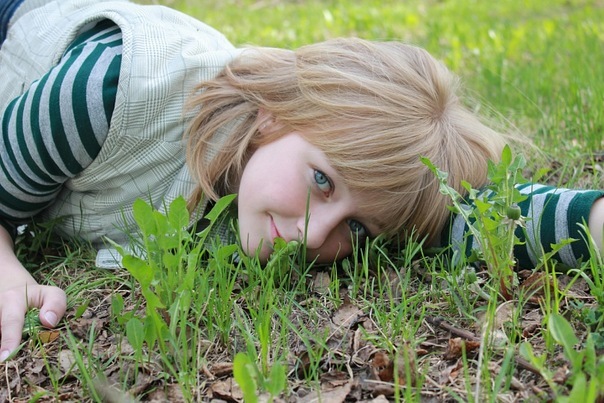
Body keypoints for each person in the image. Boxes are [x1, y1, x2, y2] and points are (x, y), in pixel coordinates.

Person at [0, 0, 602, 363]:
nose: (316, 237)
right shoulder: (106, 95)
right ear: (274, 115)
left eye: (358, 228)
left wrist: (594, 222)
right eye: (322, 180)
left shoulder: (298, 170)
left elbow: (470, 217)